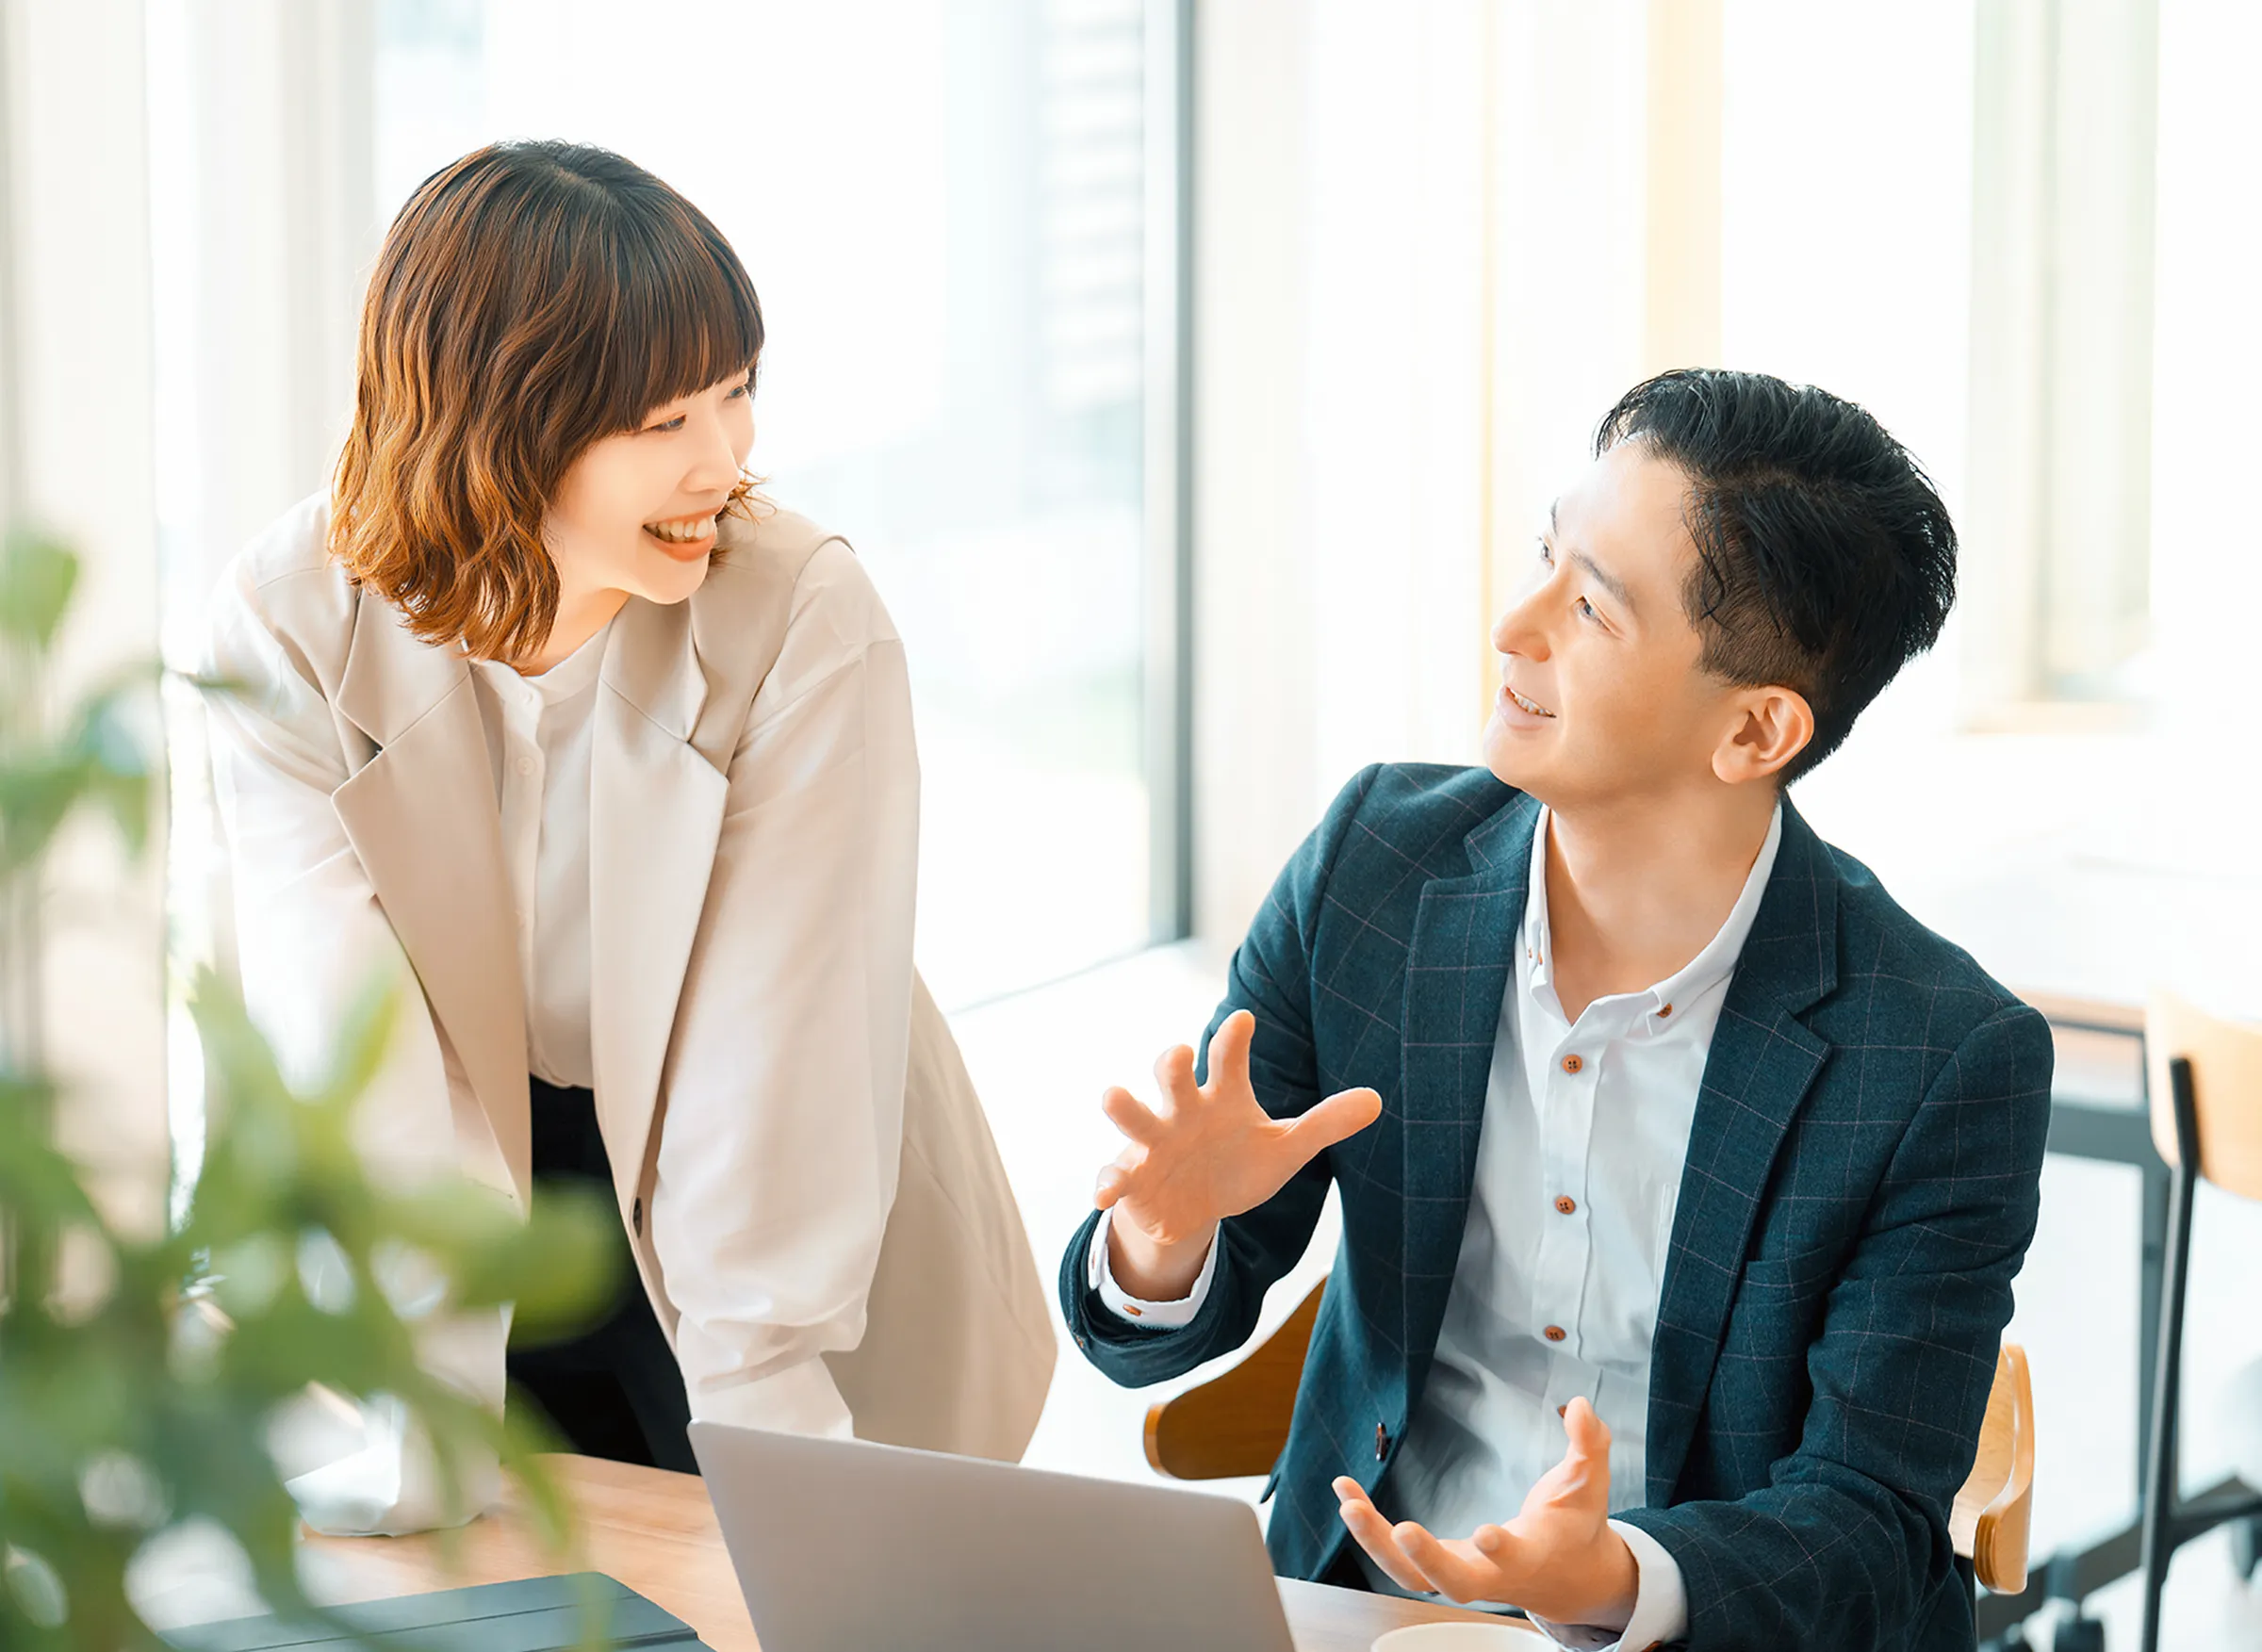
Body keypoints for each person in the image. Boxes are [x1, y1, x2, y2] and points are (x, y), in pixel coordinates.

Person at [1061, 368, 2053, 1652]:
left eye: (1589, 607)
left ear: (1755, 731)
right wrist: (1160, 1237)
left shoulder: (1938, 1056)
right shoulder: (1377, 868)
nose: (1516, 626)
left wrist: (1610, 1580)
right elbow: (1150, 1329)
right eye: (1546, 558)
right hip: (1358, 1615)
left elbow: (1865, 1523)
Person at [206, 140, 1053, 1534]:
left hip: (786, 1182)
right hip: (478, 1184)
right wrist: (418, 1408)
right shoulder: (290, 623)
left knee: (788, 1568)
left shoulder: (802, 617)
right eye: (663, 423)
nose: (726, 462)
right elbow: (346, 1045)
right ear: (499, 426)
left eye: (737, 393)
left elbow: (769, 1077)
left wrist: (785, 1472)